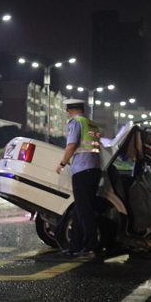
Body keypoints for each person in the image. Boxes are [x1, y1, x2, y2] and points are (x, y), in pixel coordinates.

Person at [56, 99, 102, 257]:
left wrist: (62, 163)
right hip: (94, 169)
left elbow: (71, 145)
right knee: (79, 210)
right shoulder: (92, 124)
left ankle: (91, 246)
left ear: (69, 111)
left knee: (85, 210)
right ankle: (75, 246)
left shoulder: (76, 123)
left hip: (82, 170)